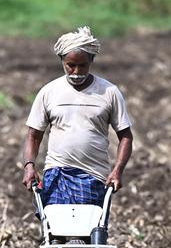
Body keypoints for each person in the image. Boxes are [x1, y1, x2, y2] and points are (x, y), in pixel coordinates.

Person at [21, 26, 133, 209]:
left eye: (83, 65)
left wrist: (117, 170)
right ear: (62, 61)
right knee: (55, 231)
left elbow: (125, 137)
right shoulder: (49, 92)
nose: (76, 71)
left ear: (92, 60)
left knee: (90, 231)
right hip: (57, 174)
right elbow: (33, 135)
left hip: (94, 177)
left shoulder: (109, 92)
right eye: (70, 65)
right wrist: (29, 166)